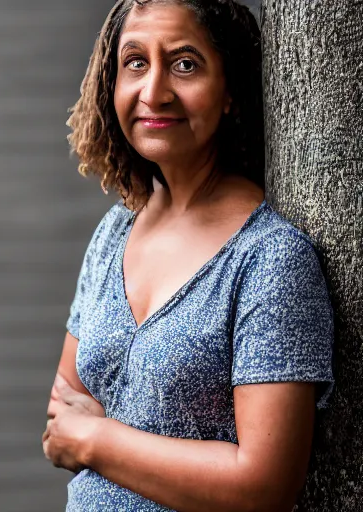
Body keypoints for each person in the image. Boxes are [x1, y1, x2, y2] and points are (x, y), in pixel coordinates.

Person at [42, 0, 335, 510]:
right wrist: (81, 431)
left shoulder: (270, 259)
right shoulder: (114, 232)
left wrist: (97, 439)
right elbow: (64, 405)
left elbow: (262, 486)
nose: (153, 92)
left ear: (230, 94)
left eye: (185, 64)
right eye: (136, 62)